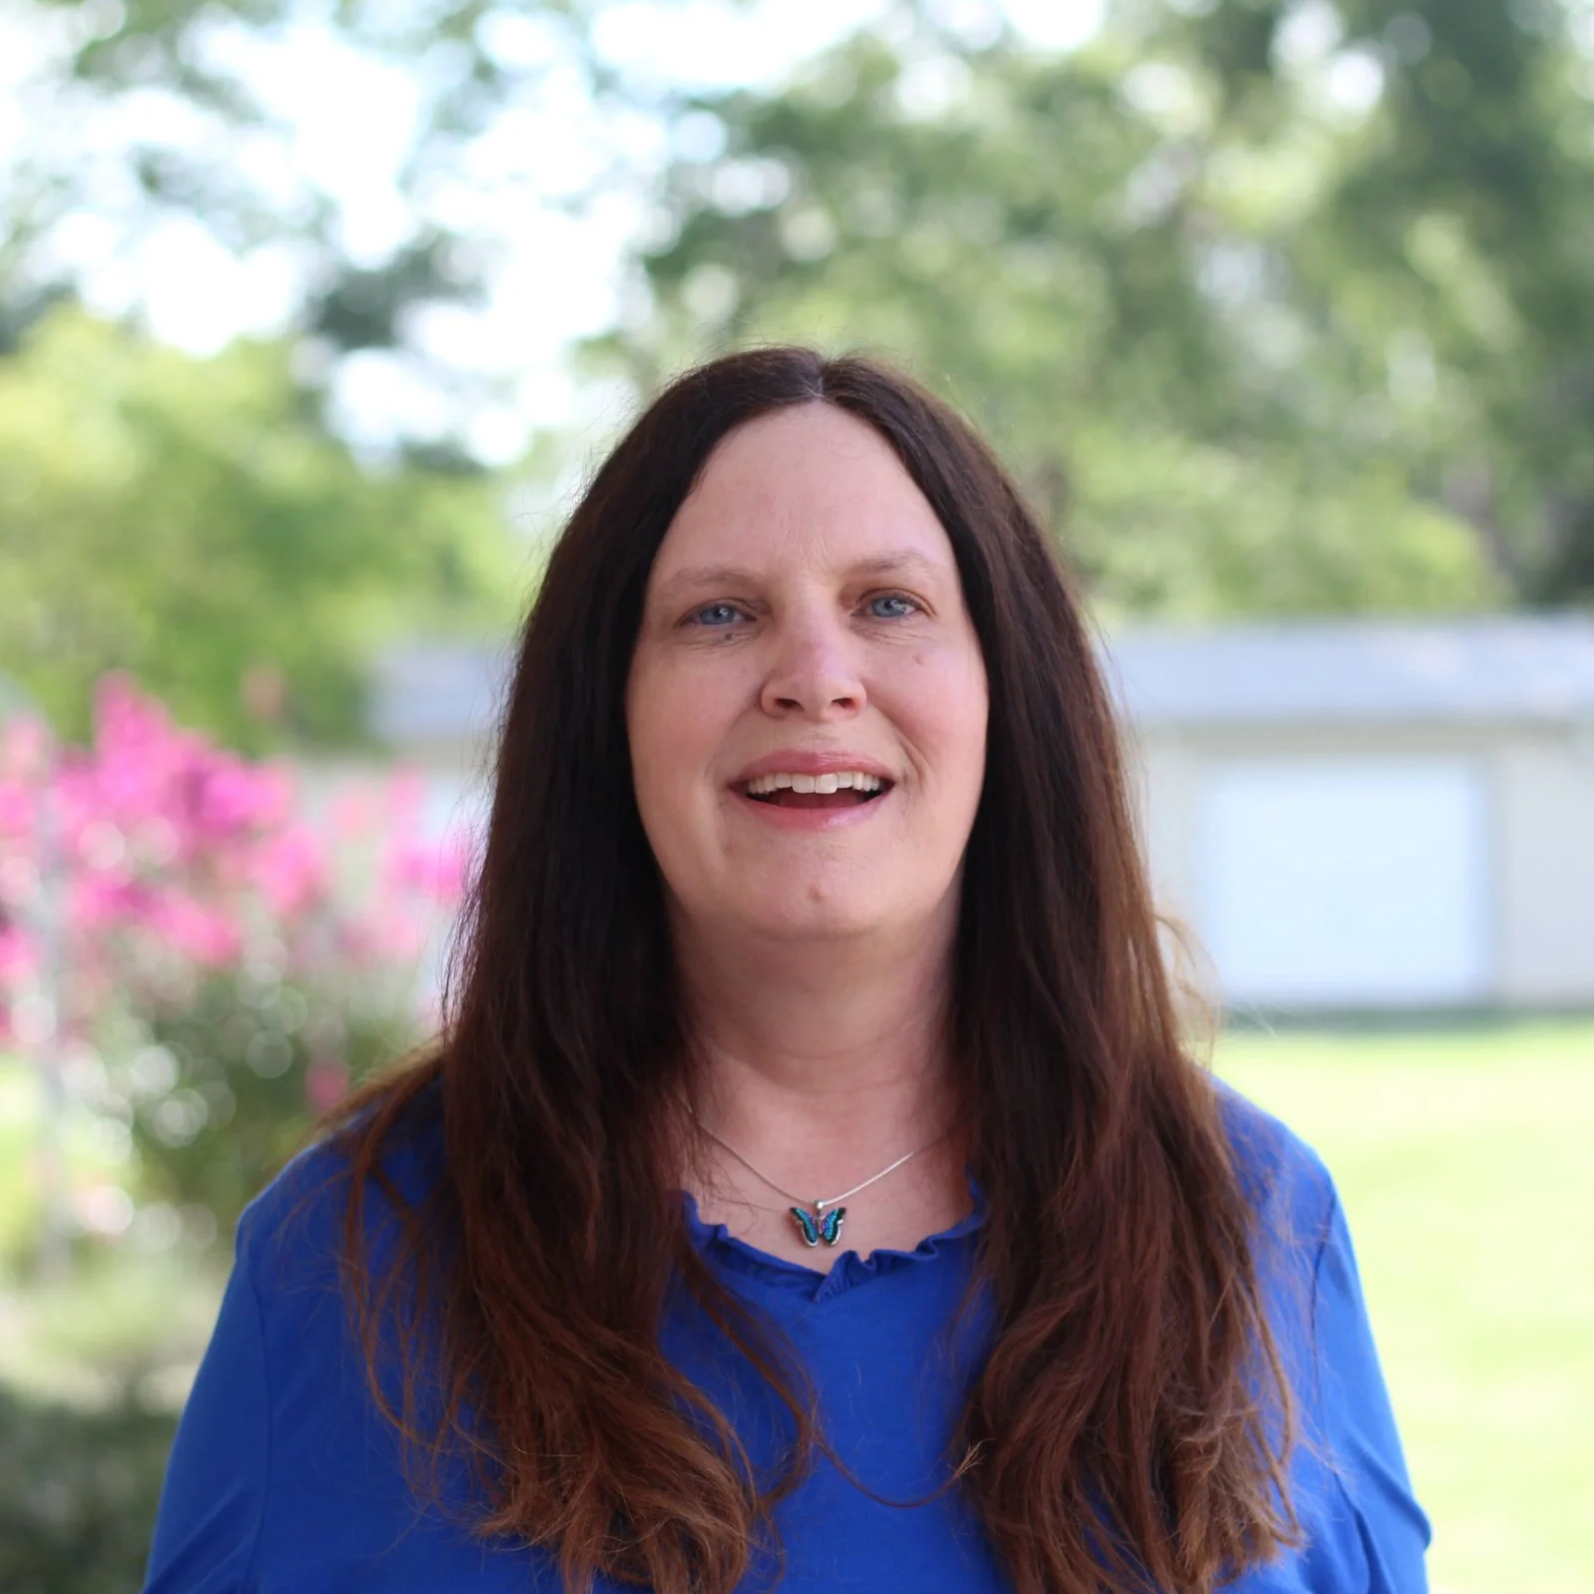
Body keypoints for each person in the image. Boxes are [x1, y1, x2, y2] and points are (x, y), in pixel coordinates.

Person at [142, 348, 1430, 1594]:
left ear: (1007, 694)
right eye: (720, 614)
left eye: (890, 604)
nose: (815, 679)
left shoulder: (1255, 1227)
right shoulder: (350, 1258)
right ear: (608, 713)